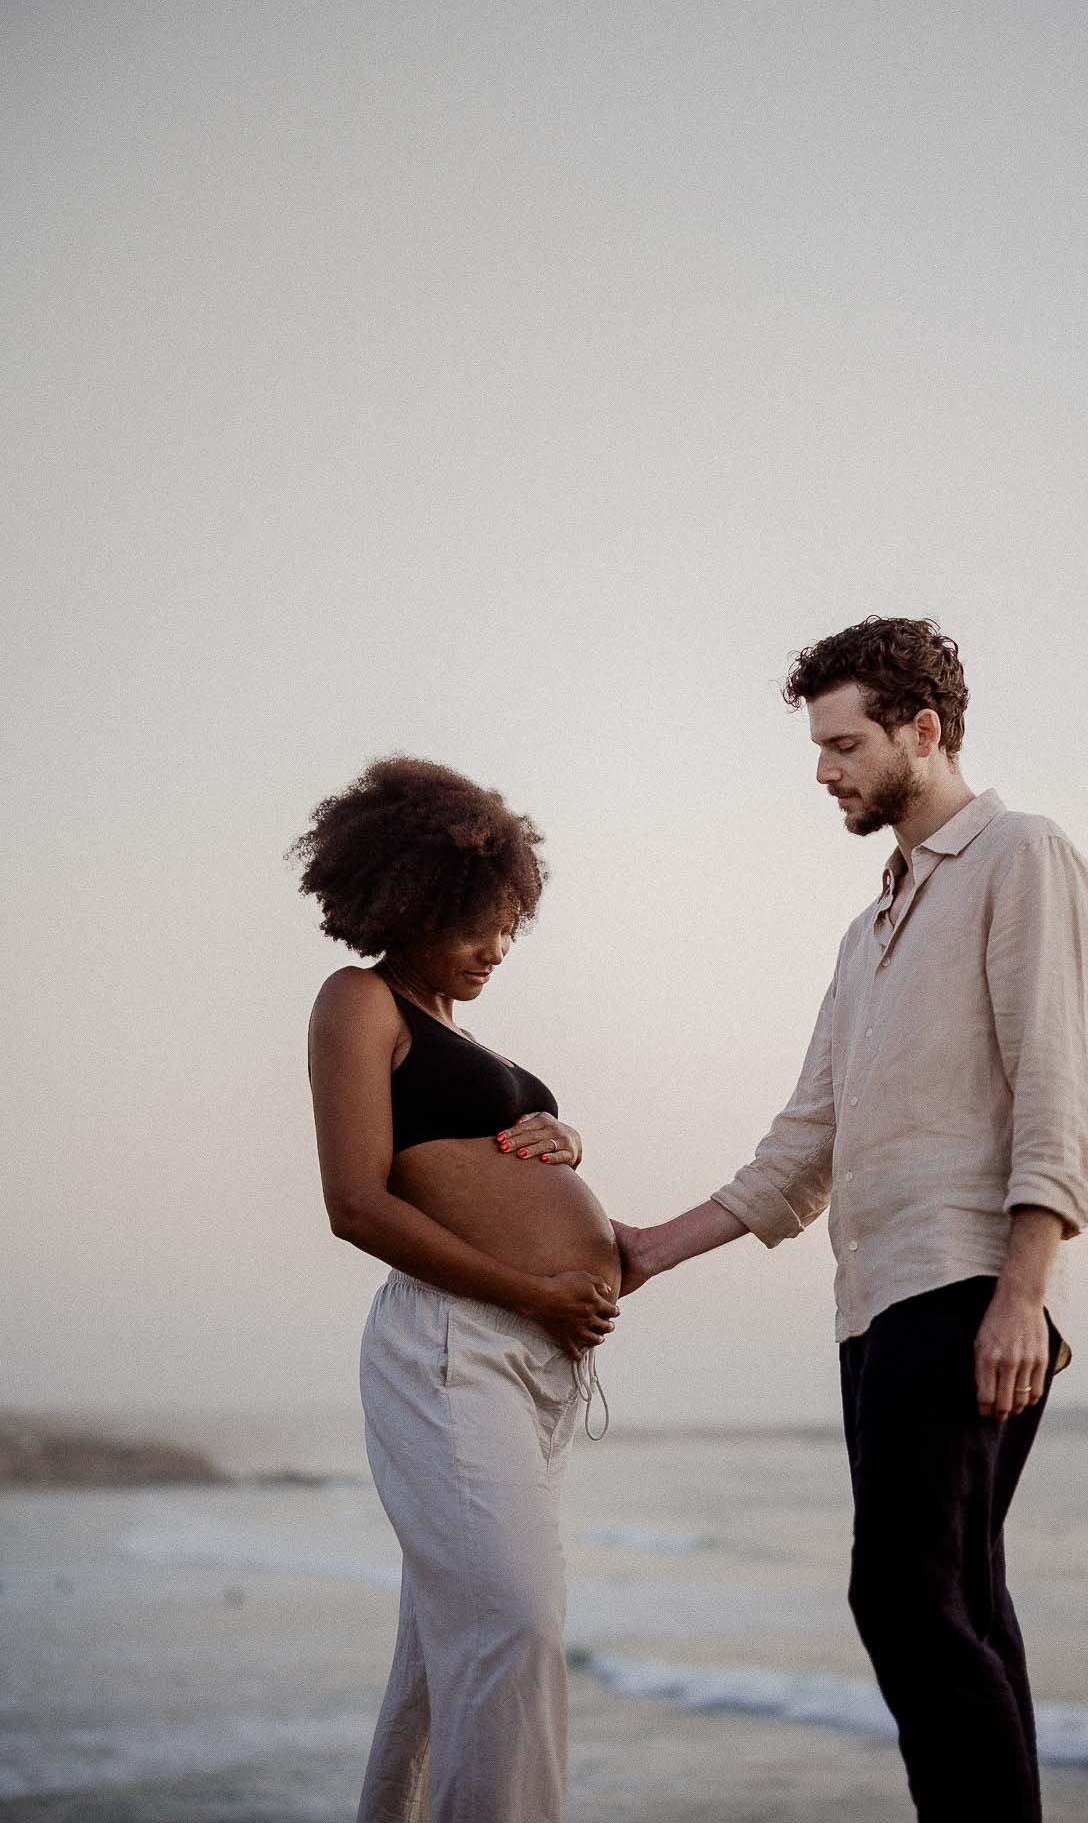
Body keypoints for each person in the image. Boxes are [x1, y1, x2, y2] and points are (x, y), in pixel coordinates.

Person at [613, 616, 1088, 1823]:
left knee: (900, 1598)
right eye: (818, 748)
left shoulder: (1020, 856)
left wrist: (1021, 1296)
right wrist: (646, 1249)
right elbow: (806, 1140)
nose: (824, 771)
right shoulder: (866, 928)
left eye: (842, 743)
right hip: (871, 1306)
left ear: (921, 732)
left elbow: (1058, 1082)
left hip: (966, 1286)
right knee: (960, 1603)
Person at [292, 756, 620, 1823]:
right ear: (410, 898)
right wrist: (530, 1291)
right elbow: (357, 1202)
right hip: (451, 1348)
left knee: (445, 1650)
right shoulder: (360, 1000)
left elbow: (501, 1168)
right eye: (475, 921)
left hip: (530, 1369)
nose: (495, 947)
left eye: (508, 924)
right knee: (512, 1625)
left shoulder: (473, 1040)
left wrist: (566, 1139)